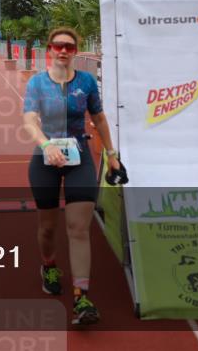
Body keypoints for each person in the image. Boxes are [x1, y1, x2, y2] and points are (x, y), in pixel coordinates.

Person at [21, 27, 123, 326]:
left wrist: (112, 155)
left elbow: (99, 119)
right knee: (48, 228)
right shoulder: (38, 82)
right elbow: (29, 119)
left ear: (75, 50)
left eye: (69, 46)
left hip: (79, 159)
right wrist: (46, 144)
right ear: (50, 49)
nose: (63, 51)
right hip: (45, 159)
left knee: (79, 228)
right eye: (58, 46)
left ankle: (82, 296)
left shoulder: (87, 82)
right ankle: (49, 266)